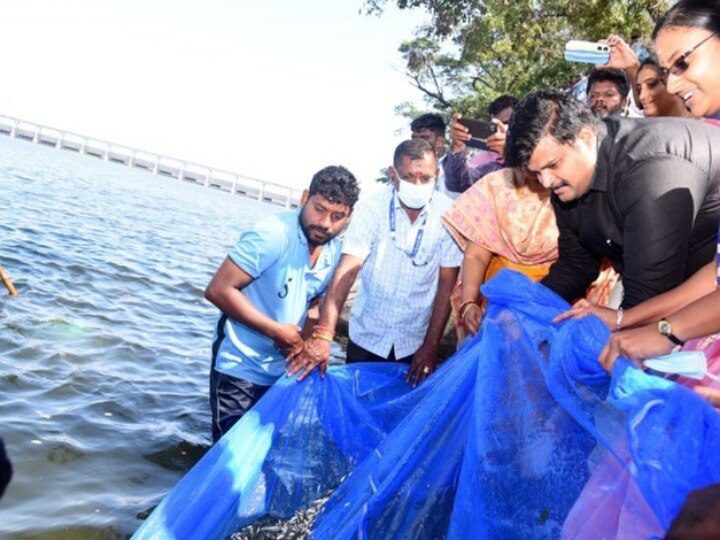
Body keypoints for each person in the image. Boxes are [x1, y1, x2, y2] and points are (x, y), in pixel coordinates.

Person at [556, 0, 720, 404]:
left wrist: (663, 329)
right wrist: (635, 322)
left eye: (682, 63)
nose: (676, 85)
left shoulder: (664, 159)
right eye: (667, 72)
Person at [504, 88, 720, 310]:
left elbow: (648, 297)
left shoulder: (650, 171)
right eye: (536, 173)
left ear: (585, 138)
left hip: (704, 290)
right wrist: (528, 308)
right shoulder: (566, 183)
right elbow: (576, 265)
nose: (546, 182)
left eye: (552, 165)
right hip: (650, 285)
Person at [288, 139, 462, 387]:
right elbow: (347, 271)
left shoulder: (450, 214)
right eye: (408, 177)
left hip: (414, 341)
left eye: (425, 178)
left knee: (398, 416)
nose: (417, 184)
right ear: (393, 175)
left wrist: (431, 344)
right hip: (366, 336)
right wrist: (324, 335)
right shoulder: (372, 208)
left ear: (437, 174)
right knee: (356, 409)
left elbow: (447, 284)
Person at [204, 165, 359, 442]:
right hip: (240, 365)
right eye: (319, 209)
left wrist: (309, 349)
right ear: (304, 198)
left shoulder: (333, 250)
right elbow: (218, 289)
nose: (325, 224)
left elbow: (313, 305)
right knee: (228, 458)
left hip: (283, 372)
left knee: (263, 452)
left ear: (349, 217)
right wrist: (276, 332)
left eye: (337, 216)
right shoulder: (273, 235)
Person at [443, 95, 518, 193]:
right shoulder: (489, 166)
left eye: (507, 123)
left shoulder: (539, 152)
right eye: (494, 126)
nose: (501, 129)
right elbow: (458, 184)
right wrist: (457, 147)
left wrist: (511, 151)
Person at [410, 113, 459, 199]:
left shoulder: (458, 168)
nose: (417, 142)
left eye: (424, 138)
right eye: (414, 138)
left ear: (440, 141)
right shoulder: (407, 169)